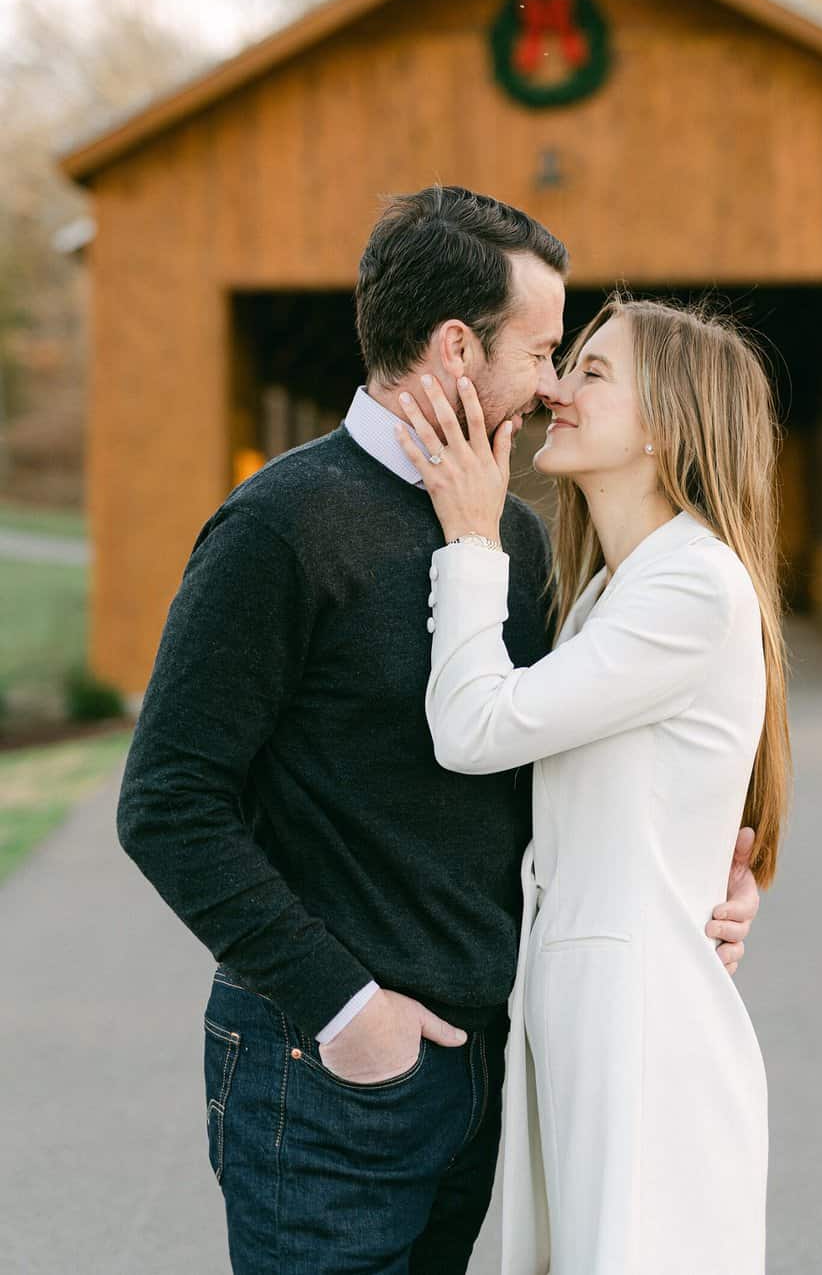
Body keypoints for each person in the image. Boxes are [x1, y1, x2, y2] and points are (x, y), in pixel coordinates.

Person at [116, 186, 762, 1275]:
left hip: (482, 1066)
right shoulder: (281, 525)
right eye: (546, 348)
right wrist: (347, 1011)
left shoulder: (514, 539)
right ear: (459, 347)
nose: (555, 384)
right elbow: (166, 803)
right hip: (324, 1063)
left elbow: (582, 748)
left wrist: (707, 878)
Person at [396, 288, 789, 1274]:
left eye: (593, 372)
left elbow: (475, 727)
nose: (558, 390)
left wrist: (471, 539)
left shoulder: (692, 585)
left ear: (669, 424)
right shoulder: (617, 587)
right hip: (592, 1015)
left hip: (641, 1036)